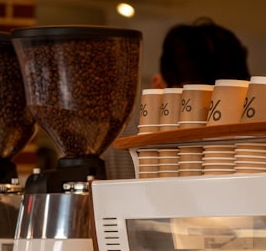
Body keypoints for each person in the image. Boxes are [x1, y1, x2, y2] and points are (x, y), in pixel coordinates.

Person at [103, 18, 251, 179]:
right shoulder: (114, 153)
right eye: (192, 108)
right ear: (159, 87)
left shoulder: (252, 151)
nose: (210, 127)